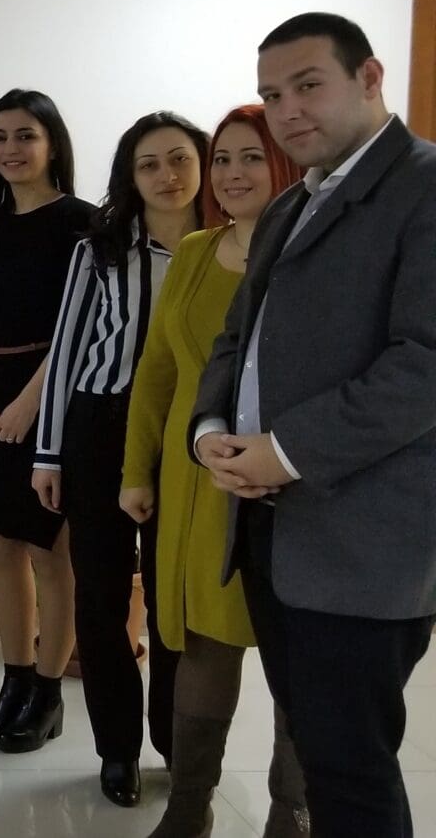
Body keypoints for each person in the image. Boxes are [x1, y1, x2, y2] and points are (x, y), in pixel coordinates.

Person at [193, 12, 436, 838]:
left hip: (362, 539)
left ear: (369, 78)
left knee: (350, 763)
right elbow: (237, 338)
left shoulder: (424, 186)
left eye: (307, 86)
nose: (287, 110)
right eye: (271, 93)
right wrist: (213, 429)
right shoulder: (297, 199)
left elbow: (425, 364)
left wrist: (285, 451)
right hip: (269, 529)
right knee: (323, 754)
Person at [122, 105, 308, 837]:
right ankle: (189, 804)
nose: (233, 174)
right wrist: (137, 469)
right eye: (223, 158)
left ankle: (292, 809)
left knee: (300, 652)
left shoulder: (313, 252)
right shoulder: (197, 251)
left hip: (294, 481)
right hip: (197, 481)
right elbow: (158, 371)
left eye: (251, 158)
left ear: (285, 164)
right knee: (203, 641)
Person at [35, 110, 206, 806]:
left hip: (188, 439)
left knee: (173, 603)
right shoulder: (100, 247)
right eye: (148, 164)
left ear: (202, 163)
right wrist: (48, 454)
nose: (167, 176)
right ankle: (116, 749)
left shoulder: (231, 247)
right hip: (101, 428)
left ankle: (172, 736)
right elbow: (66, 352)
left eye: (179, 158)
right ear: (128, 177)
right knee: (101, 599)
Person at [0, 89, 95, 754]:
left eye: (25, 135)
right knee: (1, 545)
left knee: (49, 548)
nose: (10, 149)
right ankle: (14, 680)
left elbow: (84, 326)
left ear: (53, 144)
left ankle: (46, 691)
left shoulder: (85, 224)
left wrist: (34, 400)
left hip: (52, 398)